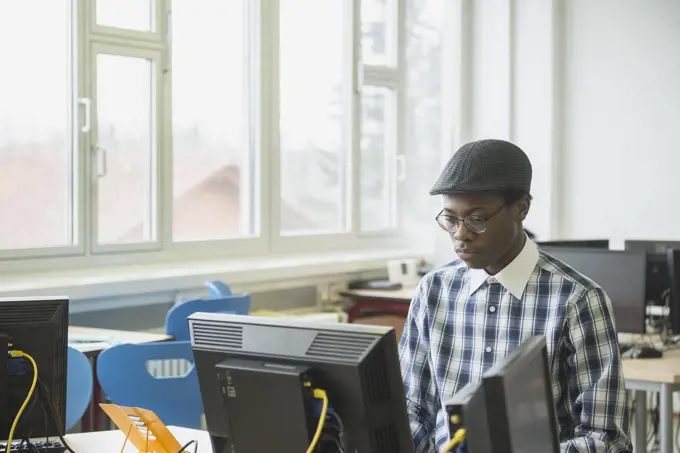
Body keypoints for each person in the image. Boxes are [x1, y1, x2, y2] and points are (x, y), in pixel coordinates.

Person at [399, 139, 630, 453]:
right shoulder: (433, 290)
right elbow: (413, 409)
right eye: (451, 220)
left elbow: (607, 439)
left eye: (477, 219)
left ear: (521, 208)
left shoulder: (578, 300)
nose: (460, 234)